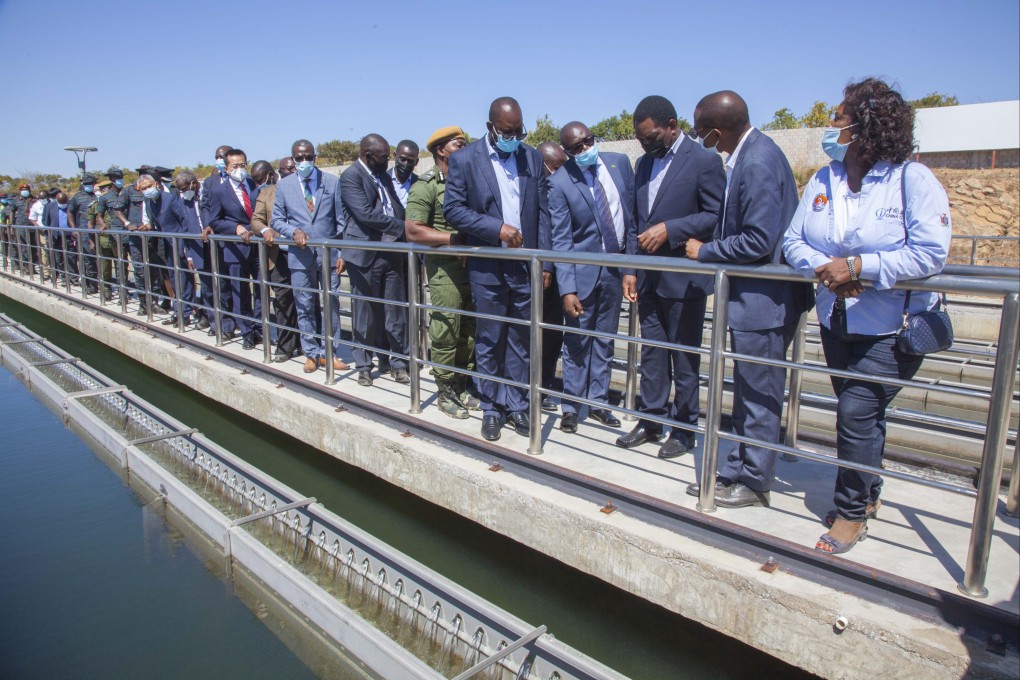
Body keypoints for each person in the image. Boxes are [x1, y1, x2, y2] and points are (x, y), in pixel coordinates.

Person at [783, 78, 952, 553]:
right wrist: (826, 269)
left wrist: (861, 267)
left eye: (838, 118)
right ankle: (870, 487)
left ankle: (850, 514)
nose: (830, 125)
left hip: (891, 328)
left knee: (855, 412)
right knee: (865, 414)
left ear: (864, 126)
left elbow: (930, 254)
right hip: (836, 319)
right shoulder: (824, 179)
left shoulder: (911, 179)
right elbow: (793, 240)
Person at [684, 90, 811, 509]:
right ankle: (738, 467)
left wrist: (705, 251)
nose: (701, 142)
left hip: (764, 303)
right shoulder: (750, 154)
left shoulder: (757, 161)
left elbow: (759, 239)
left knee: (759, 396)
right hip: (753, 303)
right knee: (746, 393)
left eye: (701, 133)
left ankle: (755, 482)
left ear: (717, 131)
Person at [616, 95, 725, 459]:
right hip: (648, 278)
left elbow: (715, 216)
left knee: (684, 357)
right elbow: (635, 221)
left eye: (650, 137)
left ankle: (683, 429)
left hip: (684, 279)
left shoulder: (704, 161)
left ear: (672, 126)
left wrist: (671, 229)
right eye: (640, 139)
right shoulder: (643, 164)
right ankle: (651, 420)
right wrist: (630, 269)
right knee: (652, 354)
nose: (644, 144)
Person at [443, 96, 550, 441]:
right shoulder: (464, 160)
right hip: (488, 267)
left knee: (520, 338)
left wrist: (545, 262)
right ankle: (491, 407)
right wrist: (496, 228)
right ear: (490, 127)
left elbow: (544, 213)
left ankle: (516, 404)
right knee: (490, 338)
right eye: (507, 132)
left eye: (519, 131)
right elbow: (453, 210)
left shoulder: (531, 157)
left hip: (524, 267)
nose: (514, 138)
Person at [548, 122, 634, 433]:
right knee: (577, 342)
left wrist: (630, 269)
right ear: (566, 151)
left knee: (605, 340)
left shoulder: (619, 164)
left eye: (588, 141)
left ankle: (598, 403)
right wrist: (567, 289)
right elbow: (561, 239)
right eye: (577, 147)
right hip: (581, 275)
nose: (586, 149)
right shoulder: (560, 182)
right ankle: (571, 407)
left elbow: (632, 220)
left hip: (614, 270)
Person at [404, 125, 480, 418]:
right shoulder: (426, 185)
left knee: (468, 331)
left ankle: (461, 385)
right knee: (446, 330)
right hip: (444, 271)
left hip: (472, 268)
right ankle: (445, 392)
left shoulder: (469, 181)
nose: (465, 149)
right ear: (440, 150)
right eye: (459, 145)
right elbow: (413, 230)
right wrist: (453, 241)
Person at [272, 139, 349, 373]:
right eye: (299, 158)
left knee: (331, 304)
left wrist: (342, 252)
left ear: (315, 157)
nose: (304, 161)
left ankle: (330, 352)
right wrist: (293, 231)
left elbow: (342, 221)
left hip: (329, 255)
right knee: (304, 304)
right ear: (293, 160)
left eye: (308, 157)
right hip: (300, 256)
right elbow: (276, 220)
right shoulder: (284, 186)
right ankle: (311, 353)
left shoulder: (332, 182)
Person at [340, 133, 409, 386]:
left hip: (391, 252)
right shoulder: (351, 176)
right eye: (383, 157)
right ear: (368, 156)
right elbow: (365, 214)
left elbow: (395, 208)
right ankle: (364, 366)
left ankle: (398, 364)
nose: (387, 161)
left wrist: (406, 227)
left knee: (395, 312)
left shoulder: (382, 176)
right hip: (364, 255)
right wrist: (403, 228)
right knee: (365, 315)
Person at [201, 147, 261, 347]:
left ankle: (260, 328)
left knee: (261, 289)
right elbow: (215, 220)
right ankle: (247, 331)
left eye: (242, 165)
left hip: (258, 246)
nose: (239, 169)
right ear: (226, 169)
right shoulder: (218, 190)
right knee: (239, 291)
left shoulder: (253, 184)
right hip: (235, 248)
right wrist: (235, 228)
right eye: (235, 166)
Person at [250, 157, 301, 362]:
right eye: (286, 169)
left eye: (292, 168)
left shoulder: (304, 189)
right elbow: (256, 219)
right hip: (278, 254)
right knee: (283, 300)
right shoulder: (267, 192)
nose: (290, 172)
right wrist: (264, 230)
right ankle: (285, 346)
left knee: (307, 299)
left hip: (303, 252)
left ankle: (309, 345)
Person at [536, 140, 568, 413]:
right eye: (557, 167)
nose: (562, 173)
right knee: (530, 335)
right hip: (537, 273)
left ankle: (544, 387)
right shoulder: (533, 189)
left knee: (553, 335)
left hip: (561, 275)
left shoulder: (565, 188)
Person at [158, 169, 210, 327]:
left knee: (218, 283)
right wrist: (189, 254)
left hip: (214, 243)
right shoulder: (183, 200)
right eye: (179, 190)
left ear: (193, 183)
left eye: (184, 189)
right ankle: (207, 317)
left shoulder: (208, 192)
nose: (182, 192)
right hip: (196, 247)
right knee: (205, 283)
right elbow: (185, 227)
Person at [67, 174, 100, 293]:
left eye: (90, 183)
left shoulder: (99, 196)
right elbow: (70, 212)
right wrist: (74, 229)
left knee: (100, 259)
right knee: (88, 259)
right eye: (86, 184)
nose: (88, 186)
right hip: (85, 232)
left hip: (99, 231)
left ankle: (102, 283)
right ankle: (91, 285)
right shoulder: (77, 197)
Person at [388, 139, 420, 208]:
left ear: (416, 162)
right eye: (402, 159)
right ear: (395, 156)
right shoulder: (382, 180)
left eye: (410, 161)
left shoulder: (420, 183)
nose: (406, 164)